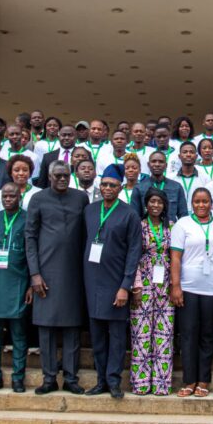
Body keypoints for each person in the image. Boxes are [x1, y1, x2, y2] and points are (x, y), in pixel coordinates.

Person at [26, 161, 89, 395]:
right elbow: (30, 237)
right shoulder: (38, 199)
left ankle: (71, 378)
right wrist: (34, 273)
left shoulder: (81, 198)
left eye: (66, 175)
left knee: (72, 328)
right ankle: (49, 377)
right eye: (58, 176)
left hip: (73, 271)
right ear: (49, 177)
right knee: (47, 328)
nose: (62, 179)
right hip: (45, 272)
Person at [82, 164, 141, 399]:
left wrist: (125, 286)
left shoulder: (129, 213)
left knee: (116, 337)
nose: (107, 188)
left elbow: (134, 252)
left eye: (112, 185)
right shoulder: (90, 210)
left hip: (116, 285)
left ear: (120, 188)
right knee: (97, 335)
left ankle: (114, 381)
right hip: (91, 282)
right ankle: (100, 381)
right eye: (104, 184)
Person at [170, 187, 213, 398]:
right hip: (188, 286)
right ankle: (189, 380)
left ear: (211, 203)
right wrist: (176, 286)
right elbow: (175, 258)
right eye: (197, 202)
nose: (201, 205)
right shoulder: (182, 224)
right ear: (192, 204)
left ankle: (203, 380)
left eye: (205, 201)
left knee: (207, 335)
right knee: (188, 335)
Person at [0, 183, 31, 393]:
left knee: (19, 335)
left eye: (12, 195)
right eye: (5, 196)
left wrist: (30, 285)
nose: (8, 199)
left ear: (20, 196)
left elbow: (32, 254)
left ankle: (18, 377)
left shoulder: (28, 218)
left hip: (18, 282)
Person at [130, 188, 174, 396]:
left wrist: (174, 284)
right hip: (144, 282)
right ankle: (141, 383)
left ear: (165, 205)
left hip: (165, 282)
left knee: (163, 335)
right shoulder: (138, 226)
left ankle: (161, 383)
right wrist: (136, 287)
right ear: (146, 205)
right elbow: (133, 256)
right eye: (152, 202)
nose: (155, 205)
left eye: (159, 202)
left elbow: (175, 256)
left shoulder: (171, 227)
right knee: (141, 334)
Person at [131, 151, 187, 223]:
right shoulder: (139, 188)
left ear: (166, 165)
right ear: (148, 165)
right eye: (154, 161)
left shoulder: (176, 187)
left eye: (161, 162)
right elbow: (135, 217)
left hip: (172, 231)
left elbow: (183, 216)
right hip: (146, 232)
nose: (157, 164)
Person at [170, 142, 207, 214]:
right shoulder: (170, 178)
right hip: (176, 218)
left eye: (191, 152)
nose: (188, 155)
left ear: (196, 156)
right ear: (179, 156)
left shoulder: (205, 178)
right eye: (185, 152)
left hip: (198, 217)